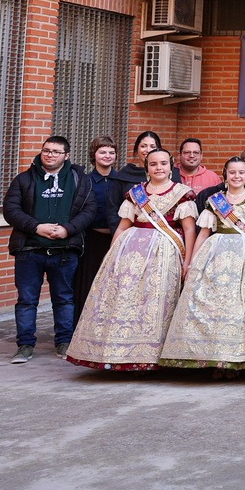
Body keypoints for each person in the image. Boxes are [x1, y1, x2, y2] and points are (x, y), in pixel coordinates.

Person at [65, 149, 195, 371]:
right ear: (147, 167)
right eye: (153, 164)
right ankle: (121, 353)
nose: (159, 168)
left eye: (163, 163)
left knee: (157, 301)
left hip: (165, 253)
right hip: (131, 254)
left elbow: (189, 229)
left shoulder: (182, 194)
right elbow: (124, 226)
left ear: (171, 166)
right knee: (127, 299)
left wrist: (188, 260)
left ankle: (154, 355)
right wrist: (112, 255)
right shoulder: (137, 193)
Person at [159, 156, 245, 374]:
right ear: (225, 176)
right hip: (215, 257)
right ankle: (212, 357)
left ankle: (238, 359)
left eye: (241, 172)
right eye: (232, 172)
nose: (237, 176)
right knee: (211, 306)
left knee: (240, 308)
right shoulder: (215, 201)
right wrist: (192, 262)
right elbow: (203, 233)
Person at [4, 136, 95, 363]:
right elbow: (11, 210)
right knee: (27, 300)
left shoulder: (78, 179)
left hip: (64, 250)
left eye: (56, 151)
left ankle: (64, 342)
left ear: (67, 155)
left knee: (64, 299)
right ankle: (24, 346)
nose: (50, 155)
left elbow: (89, 209)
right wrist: (36, 227)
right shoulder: (24, 179)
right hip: (29, 250)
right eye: (46, 150)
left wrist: (68, 229)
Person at [73, 136, 124, 321]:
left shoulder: (121, 180)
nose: (107, 156)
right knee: (88, 283)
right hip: (92, 239)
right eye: (103, 152)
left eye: (112, 152)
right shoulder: (84, 181)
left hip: (118, 240)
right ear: (93, 155)